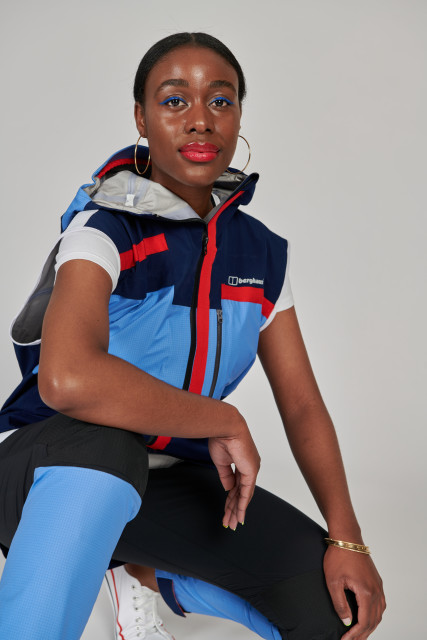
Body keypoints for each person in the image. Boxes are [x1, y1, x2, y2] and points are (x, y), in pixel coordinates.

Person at [0, 32, 385, 640]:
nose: (200, 119)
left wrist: (348, 539)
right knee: (108, 456)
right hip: (55, 468)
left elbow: (303, 404)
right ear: (142, 119)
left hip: (170, 480)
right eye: (175, 100)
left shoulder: (261, 255)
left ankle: (143, 571)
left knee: (335, 610)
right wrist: (221, 419)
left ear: (239, 118)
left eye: (221, 101)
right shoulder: (103, 232)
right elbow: (67, 378)